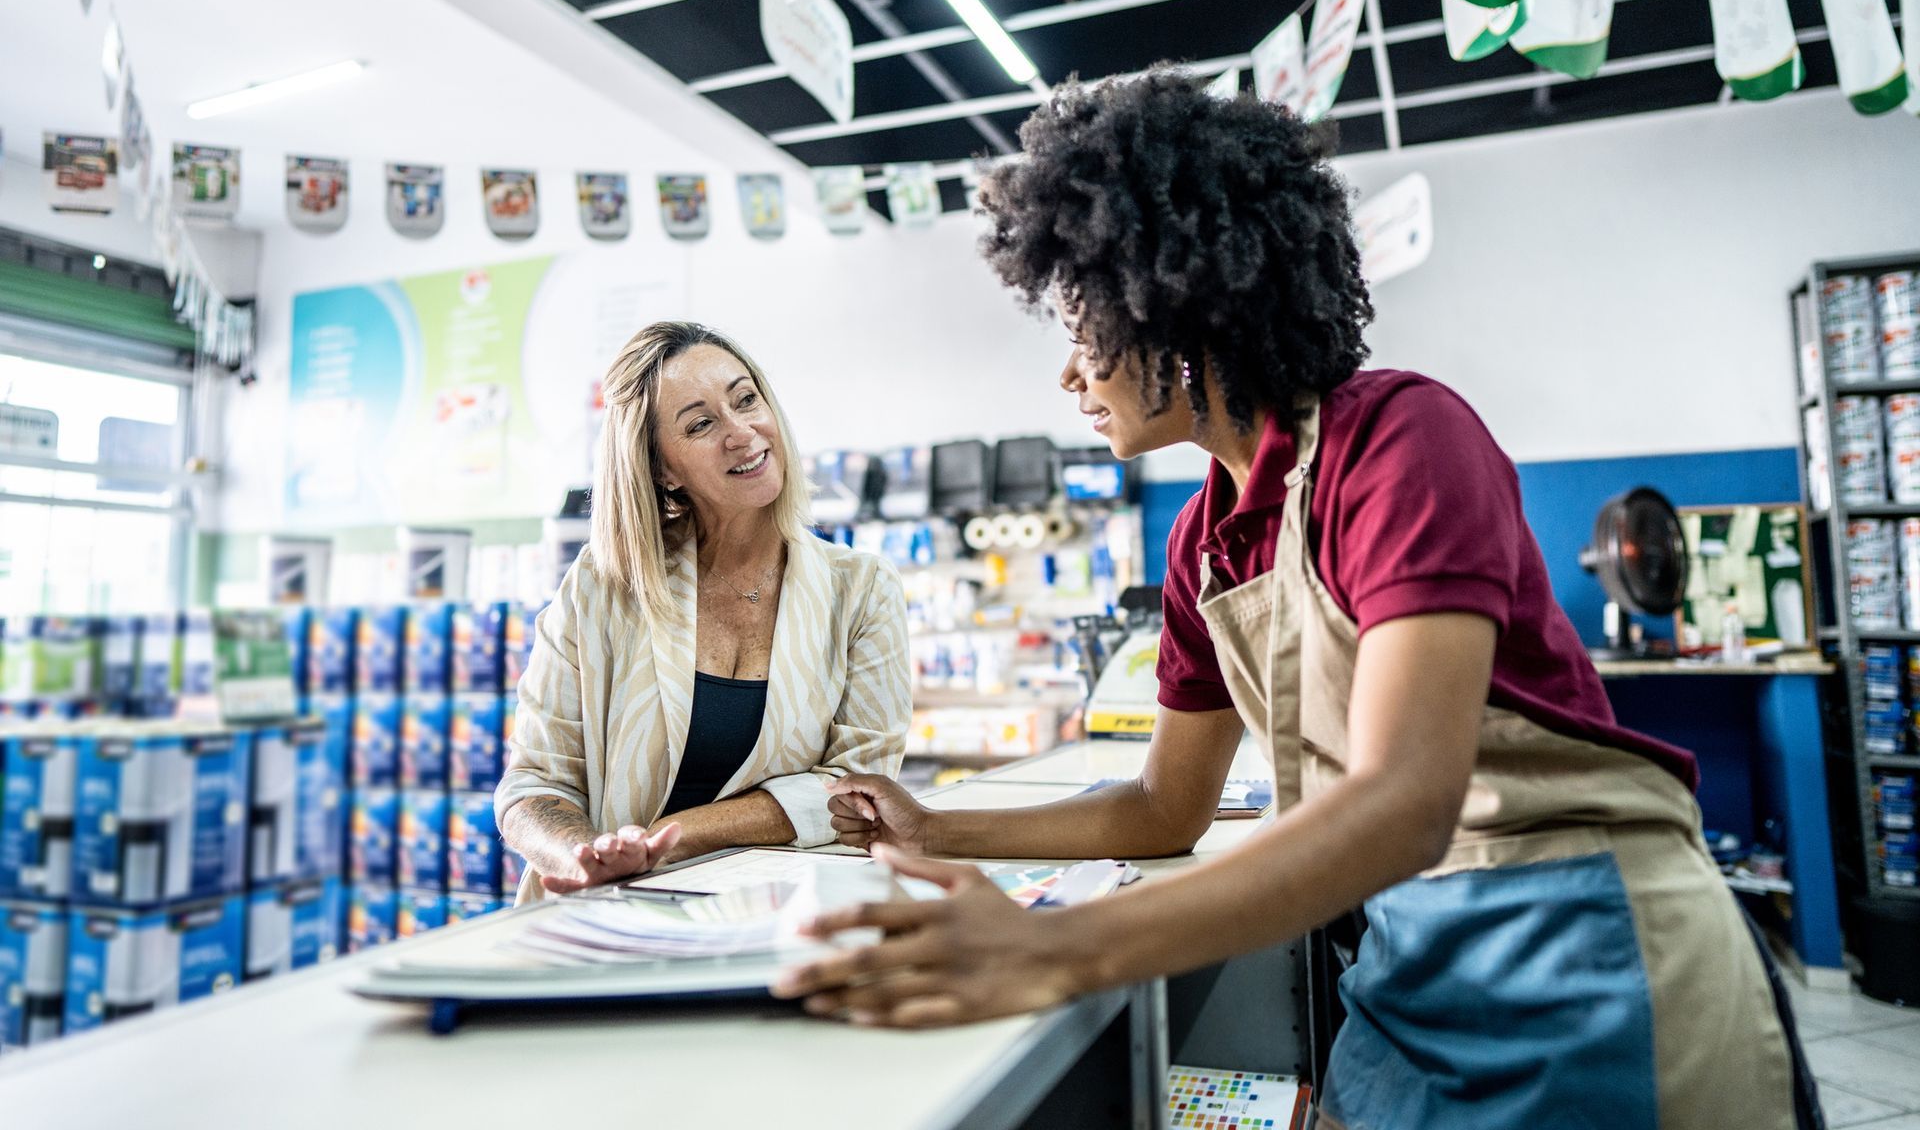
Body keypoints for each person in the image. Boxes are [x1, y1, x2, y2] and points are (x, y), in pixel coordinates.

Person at [771, 71, 1821, 1130]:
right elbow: (1161, 810)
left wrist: (1053, 951)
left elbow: (1406, 799)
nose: (1069, 376)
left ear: (1170, 307)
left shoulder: (1401, 438)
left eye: (1080, 319)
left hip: (1590, 959)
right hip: (1409, 978)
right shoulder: (1203, 544)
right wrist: (939, 827)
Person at [496, 322, 910, 903]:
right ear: (664, 469)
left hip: (781, 914)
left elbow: (859, 789)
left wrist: (671, 838)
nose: (743, 434)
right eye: (701, 424)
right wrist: (588, 857)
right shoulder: (603, 585)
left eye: (746, 400)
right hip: (606, 921)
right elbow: (532, 787)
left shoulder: (861, 591)